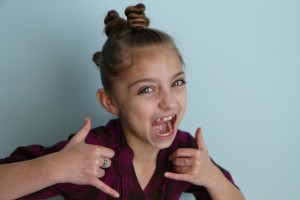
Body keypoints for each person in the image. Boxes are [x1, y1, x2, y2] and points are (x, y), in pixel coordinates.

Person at [0, 3, 245, 200]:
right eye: (147, 89)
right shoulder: (88, 152)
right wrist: (57, 167)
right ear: (110, 102)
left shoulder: (184, 149)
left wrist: (211, 177)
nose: (169, 102)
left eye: (177, 83)